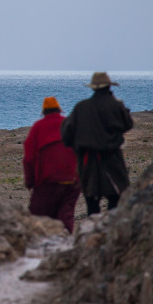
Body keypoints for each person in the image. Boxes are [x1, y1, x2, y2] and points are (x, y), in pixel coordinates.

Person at [61, 72, 134, 215]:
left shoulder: (81, 107)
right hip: (112, 159)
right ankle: (111, 229)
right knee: (117, 195)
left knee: (92, 201)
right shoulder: (115, 105)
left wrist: (76, 148)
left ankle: (92, 232)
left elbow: (67, 133)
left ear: (93, 88)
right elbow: (128, 124)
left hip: (88, 161)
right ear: (108, 87)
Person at [23, 96, 80, 232]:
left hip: (47, 180)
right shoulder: (69, 124)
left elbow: (29, 158)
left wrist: (30, 181)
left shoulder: (38, 127)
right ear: (59, 110)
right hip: (72, 180)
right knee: (66, 215)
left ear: (44, 112)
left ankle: (42, 247)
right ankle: (66, 244)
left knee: (38, 216)